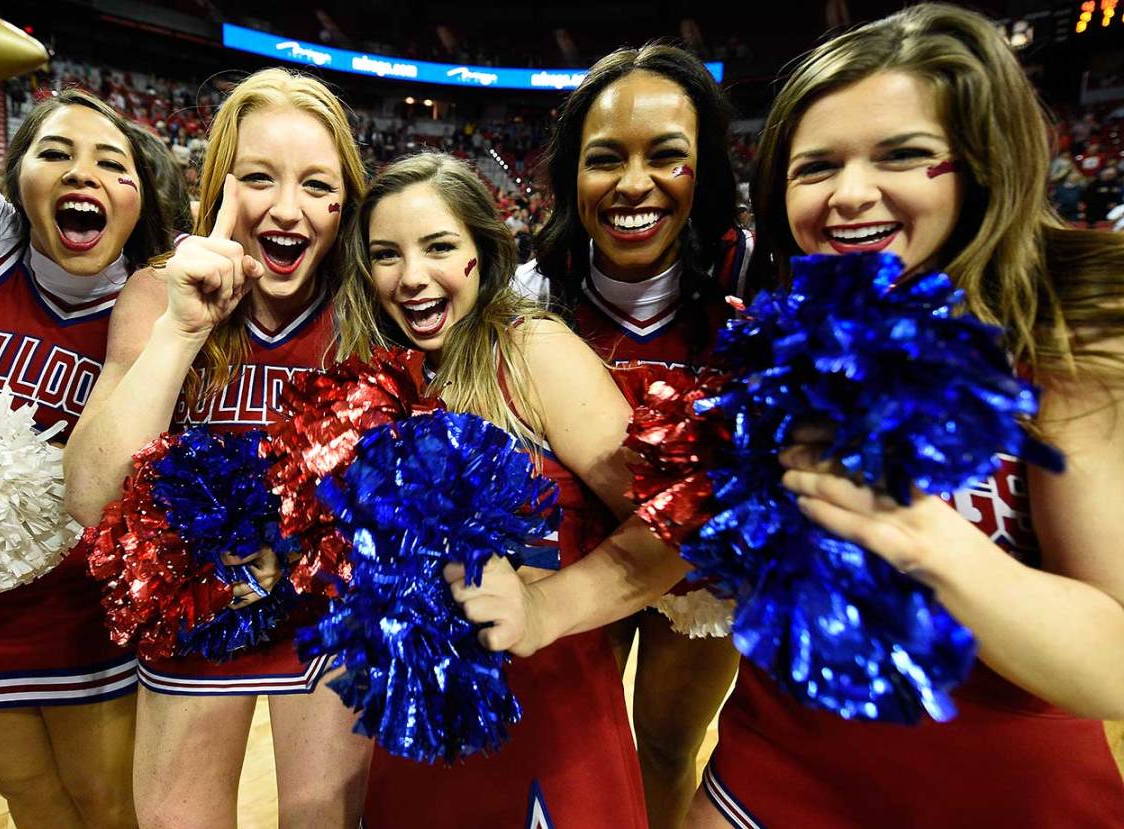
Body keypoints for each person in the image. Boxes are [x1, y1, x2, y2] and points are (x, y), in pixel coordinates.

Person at [681, 5, 1124, 826]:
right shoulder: (782, 336)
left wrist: (920, 537)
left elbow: (1115, 661)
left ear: (982, 165)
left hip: (1002, 795)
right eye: (815, 168)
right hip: (768, 770)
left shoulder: (1061, 343)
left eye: (904, 155)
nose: (850, 193)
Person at [64, 68, 372, 829]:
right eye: (260, 178)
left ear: (348, 201)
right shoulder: (160, 292)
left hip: (328, 619)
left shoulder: (374, 307)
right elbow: (89, 493)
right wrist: (181, 331)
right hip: (195, 615)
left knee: (320, 817)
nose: (287, 208)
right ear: (221, 186)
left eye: (316, 184)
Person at [332, 151, 653, 828]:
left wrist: (546, 611)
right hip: (415, 742)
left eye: (439, 246)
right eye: (387, 254)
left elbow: (675, 526)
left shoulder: (533, 352)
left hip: (551, 738)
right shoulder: (375, 382)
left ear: (483, 250)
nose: (412, 276)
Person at [515, 43, 750, 829]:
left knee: (663, 743)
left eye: (667, 156)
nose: (633, 183)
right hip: (576, 560)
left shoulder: (751, 278)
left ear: (704, 171)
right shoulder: (532, 289)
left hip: (702, 570)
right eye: (605, 158)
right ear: (570, 175)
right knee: (572, 744)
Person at [0, 86, 170, 829]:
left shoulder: (157, 298)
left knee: (108, 806)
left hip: (85, 611)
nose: (79, 173)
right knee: (29, 801)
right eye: (54, 152)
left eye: (109, 161)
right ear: (17, 176)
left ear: (140, 193)